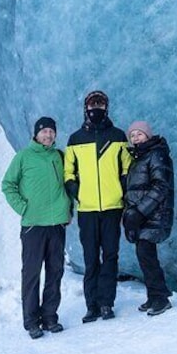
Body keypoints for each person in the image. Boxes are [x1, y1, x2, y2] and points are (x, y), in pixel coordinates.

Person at [64, 91, 132, 323]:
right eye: (93, 104)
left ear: (106, 107)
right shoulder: (75, 139)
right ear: (85, 108)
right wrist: (78, 193)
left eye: (100, 103)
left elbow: (126, 168)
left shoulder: (118, 136)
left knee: (110, 256)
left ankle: (106, 303)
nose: (96, 107)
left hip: (113, 207)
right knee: (91, 257)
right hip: (88, 209)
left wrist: (122, 190)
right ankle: (91, 305)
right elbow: (68, 172)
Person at [1, 117, 71, 340]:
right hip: (33, 225)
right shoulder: (23, 156)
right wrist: (23, 208)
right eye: (44, 132)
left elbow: (69, 183)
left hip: (57, 224)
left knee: (55, 271)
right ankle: (31, 321)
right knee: (31, 274)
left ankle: (50, 317)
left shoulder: (59, 156)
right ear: (36, 134)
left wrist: (67, 208)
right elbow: (7, 185)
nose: (48, 135)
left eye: (51, 132)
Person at [122, 120, 174, 316]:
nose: (135, 138)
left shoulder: (157, 155)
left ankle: (161, 297)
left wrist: (139, 212)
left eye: (139, 134)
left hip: (153, 214)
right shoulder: (139, 157)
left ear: (148, 135)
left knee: (147, 255)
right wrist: (131, 214)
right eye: (132, 135)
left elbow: (161, 186)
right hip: (143, 216)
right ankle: (154, 296)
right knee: (144, 256)